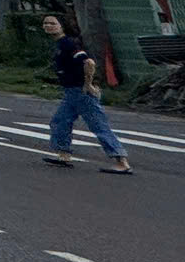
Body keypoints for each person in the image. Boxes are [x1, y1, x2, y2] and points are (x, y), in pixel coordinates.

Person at [42, 13, 131, 172]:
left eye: (52, 23)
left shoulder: (68, 44)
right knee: (60, 121)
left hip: (81, 92)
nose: (48, 26)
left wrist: (88, 84)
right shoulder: (60, 45)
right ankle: (64, 155)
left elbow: (89, 62)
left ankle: (121, 161)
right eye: (46, 23)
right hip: (70, 93)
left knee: (99, 126)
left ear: (61, 26)